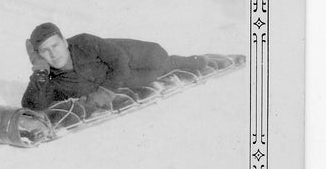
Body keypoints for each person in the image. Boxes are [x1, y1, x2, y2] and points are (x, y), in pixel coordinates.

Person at [21, 22, 209, 111]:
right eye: (45, 51)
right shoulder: (50, 78)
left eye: (55, 45)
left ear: (64, 42)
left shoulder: (84, 42)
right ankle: (169, 65)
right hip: (118, 78)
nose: (53, 54)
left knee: (158, 57)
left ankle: (182, 61)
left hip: (124, 54)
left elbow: (118, 58)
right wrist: (39, 71)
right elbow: (32, 105)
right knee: (149, 77)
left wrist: (104, 94)